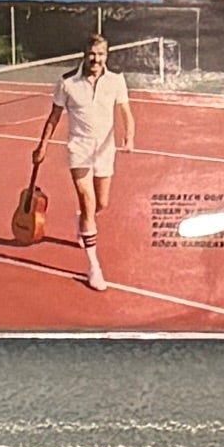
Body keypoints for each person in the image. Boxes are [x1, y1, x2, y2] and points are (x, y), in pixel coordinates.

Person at [46, 24, 132, 295]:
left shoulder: (116, 81)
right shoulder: (67, 83)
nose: (96, 59)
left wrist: (129, 136)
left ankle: (83, 219)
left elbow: (126, 112)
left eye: (101, 54)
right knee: (87, 200)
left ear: (107, 55)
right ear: (84, 54)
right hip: (79, 149)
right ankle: (94, 266)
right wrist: (42, 146)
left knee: (100, 204)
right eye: (92, 54)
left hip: (105, 150)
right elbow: (54, 116)